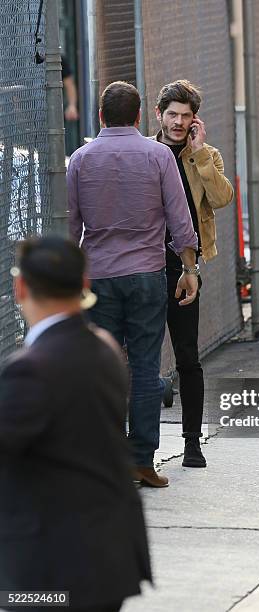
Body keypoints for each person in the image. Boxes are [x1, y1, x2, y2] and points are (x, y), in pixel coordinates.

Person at [0, 237, 151, 612]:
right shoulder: (105, 348)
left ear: (20, 288)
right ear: (84, 285)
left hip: (50, 569)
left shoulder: (30, 370)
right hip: (108, 557)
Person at [67, 81, 199, 488]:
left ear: (100, 116)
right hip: (146, 273)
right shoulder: (159, 156)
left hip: (98, 274)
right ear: (141, 116)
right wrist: (189, 269)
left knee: (103, 367)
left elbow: (72, 224)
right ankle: (142, 460)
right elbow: (180, 219)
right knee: (144, 367)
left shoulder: (80, 159)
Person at [152, 80, 234, 467]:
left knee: (188, 355)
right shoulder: (147, 154)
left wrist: (199, 152)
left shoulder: (206, 155)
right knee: (142, 355)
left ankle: (192, 442)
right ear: (159, 114)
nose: (179, 122)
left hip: (186, 268)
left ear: (195, 120)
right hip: (146, 264)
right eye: (172, 115)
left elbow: (221, 198)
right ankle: (141, 444)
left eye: (186, 116)